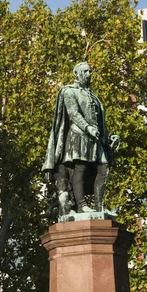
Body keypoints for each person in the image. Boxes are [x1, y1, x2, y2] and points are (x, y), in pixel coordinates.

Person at [43, 62, 120, 215]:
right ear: (76, 73)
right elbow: (74, 114)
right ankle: (81, 205)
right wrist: (87, 128)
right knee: (80, 169)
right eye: (85, 71)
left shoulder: (93, 95)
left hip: (95, 137)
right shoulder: (69, 91)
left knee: (103, 169)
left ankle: (100, 208)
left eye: (90, 71)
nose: (89, 74)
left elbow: (98, 120)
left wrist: (109, 136)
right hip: (78, 134)